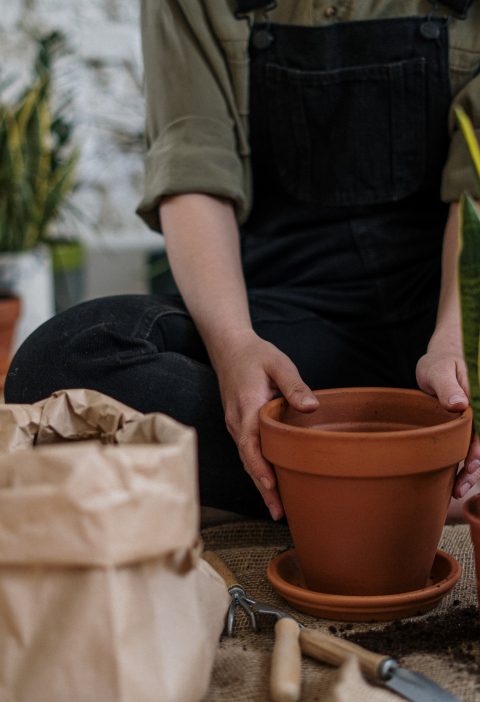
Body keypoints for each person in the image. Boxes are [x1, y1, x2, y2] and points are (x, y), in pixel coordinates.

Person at [5, 0, 480, 521]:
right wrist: (234, 346)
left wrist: (461, 349)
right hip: (286, 339)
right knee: (58, 363)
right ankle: (413, 483)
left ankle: (339, 484)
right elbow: (194, 167)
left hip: (452, 318)